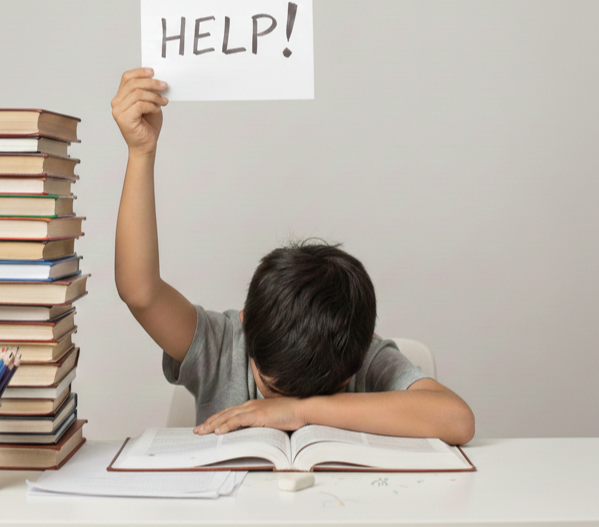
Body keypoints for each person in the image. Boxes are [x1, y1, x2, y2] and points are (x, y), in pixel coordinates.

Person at [111, 67, 475, 446]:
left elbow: (457, 419)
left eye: (320, 395)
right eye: (271, 389)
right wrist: (140, 152)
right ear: (246, 322)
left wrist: (301, 412)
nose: (283, 408)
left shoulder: (357, 350)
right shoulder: (222, 347)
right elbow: (140, 292)